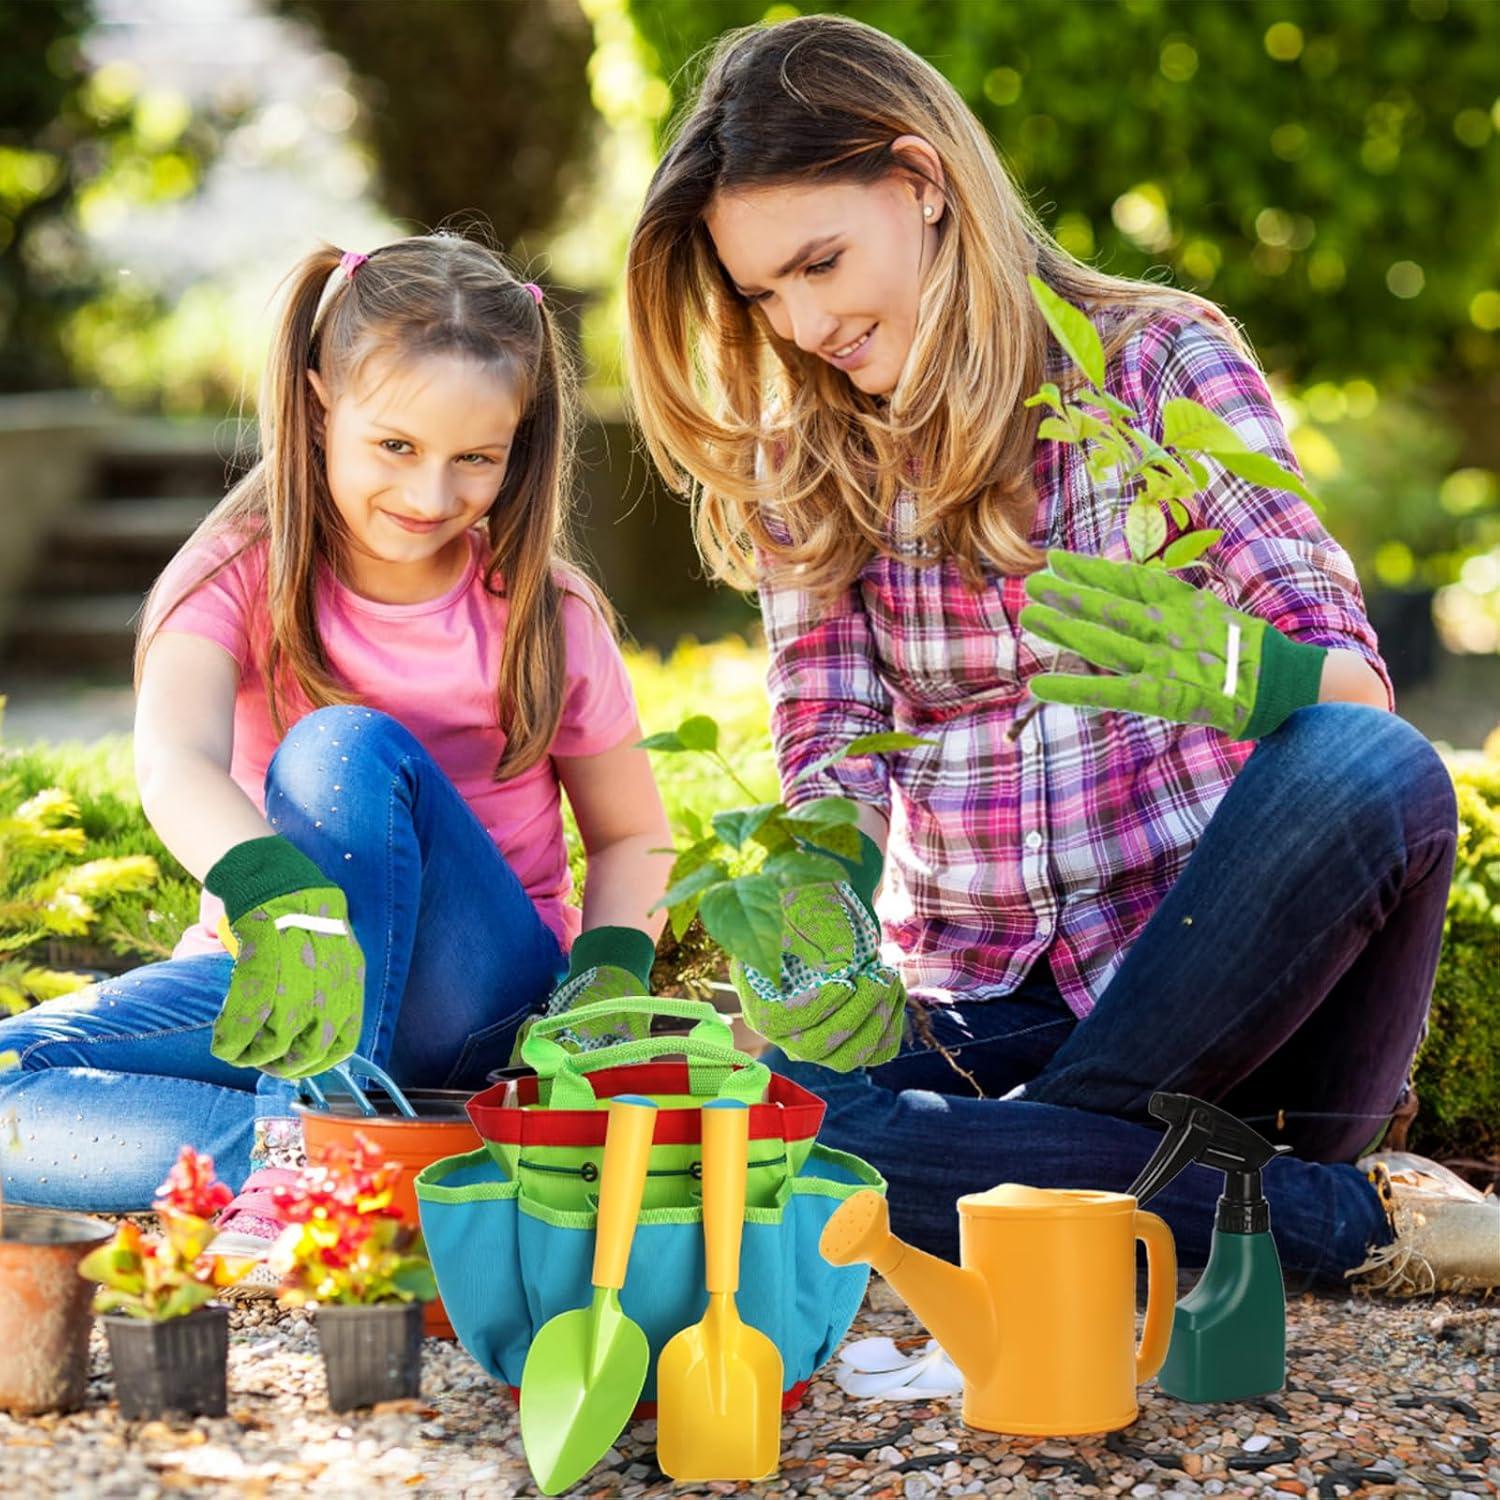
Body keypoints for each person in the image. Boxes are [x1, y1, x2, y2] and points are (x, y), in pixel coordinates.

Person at [623, 15, 1496, 1296]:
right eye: (763, 294)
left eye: (820, 262)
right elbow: (830, 757)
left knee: (1370, 763)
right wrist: (819, 915)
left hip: (1244, 1003)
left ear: (922, 186)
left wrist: (1254, 678)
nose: (803, 321)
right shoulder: (805, 459)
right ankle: (1333, 1221)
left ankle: (1028, 1167)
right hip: (987, 1007)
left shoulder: (1156, 360)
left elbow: (1361, 714)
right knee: (766, 1112)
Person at [0, 234, 673, 1275]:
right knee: (11, 1077)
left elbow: (633, 835)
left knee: (340, 748)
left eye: (476, 459)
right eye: (395, 446)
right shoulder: (233, 571)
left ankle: (313, 1150)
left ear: (520, 444)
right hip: (290, 975)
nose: (432, 492)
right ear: (318, 406)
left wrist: (604, 991)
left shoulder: (545, 610)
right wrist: (276, 902)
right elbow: (173, 759)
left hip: (477, 999)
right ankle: (358, 1163)